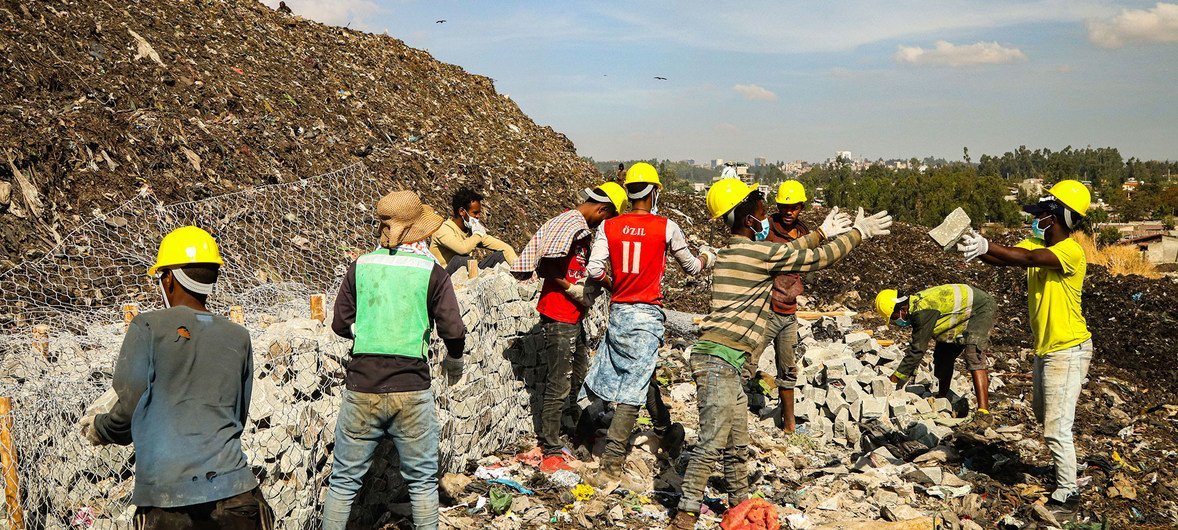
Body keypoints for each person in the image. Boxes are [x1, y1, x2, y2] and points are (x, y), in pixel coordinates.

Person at [668, 178, 893, 530]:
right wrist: (857, 233)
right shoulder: (758, 254)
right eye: (761, 209)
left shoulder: (736, 252)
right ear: (747, 220)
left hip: (728, 361)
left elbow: (791, 253)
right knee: (712, 441)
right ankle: (685, 514)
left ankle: (740, 507)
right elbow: (814, 259)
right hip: (718, 361)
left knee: (737, 444)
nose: (765, 216)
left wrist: (820, 231)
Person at [80, 226, 274, 529]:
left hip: (168, 499)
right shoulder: (239, 336)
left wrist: (100, 428)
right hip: (236, 493)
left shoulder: (147, 327)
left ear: (168, 278)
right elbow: (237, 415)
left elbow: (129, 411)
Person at [322, 191, 466, 530]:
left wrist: (370, 334)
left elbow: (341, 324)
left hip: (362, 385)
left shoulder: (360, 266)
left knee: (343, 482)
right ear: (417, 230)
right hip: (411, 388)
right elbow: (453, 329)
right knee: (422, 482)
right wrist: (454, 360)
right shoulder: (431, 272)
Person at [954, 179, 1093, 509]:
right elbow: (1010, 258)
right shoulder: (1036, 243)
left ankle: (1068, 492)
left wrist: (990, 247)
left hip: (1068, 349)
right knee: (1046, 416)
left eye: (1043, 215)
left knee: (1057, 426)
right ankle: (1069, 463)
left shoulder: (1070, 252)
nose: (1037, 220)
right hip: (1047, 350)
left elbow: (1027, 258)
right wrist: (976, 247)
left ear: (1059, 217)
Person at [580, 163, 717, 487]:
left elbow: (595, 268)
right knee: (631, 392)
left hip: (620, 314)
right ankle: (612, 461)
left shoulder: (610, 226)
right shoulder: (666, 227)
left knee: (642, 376)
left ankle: (665, 431)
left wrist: (617, 286)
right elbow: (692, 268)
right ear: (654, 192)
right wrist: (708, 258)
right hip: (647, 318)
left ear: (628, 192)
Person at [510, 182, 627, 473]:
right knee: (558, 382)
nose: (604, 223)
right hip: (559, 313)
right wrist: (571, 289)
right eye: (606, 217)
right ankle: (550, 444)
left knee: (575, 378)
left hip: (573, 315)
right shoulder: (570, 225)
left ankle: (568, 429)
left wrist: (612, 286)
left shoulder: (582, 230)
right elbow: (547, 267)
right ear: (602, 209)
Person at [873, 284, 995, 415]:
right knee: (943, 356)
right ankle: (942, 399)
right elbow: (918, 346)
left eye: (894, 317)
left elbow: (918, 350)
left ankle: (983, 412)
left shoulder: (922, 312)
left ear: (902, 309)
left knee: (973, 354)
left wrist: (894, 378)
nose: (895, 321)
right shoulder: (915, 306)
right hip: (961, 314)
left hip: (981, 308)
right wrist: (908, 372)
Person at [762, 180, 811, 434]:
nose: (789, 212)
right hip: (767, 310)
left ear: (801, 207)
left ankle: (789, 426)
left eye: (794, 207)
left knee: (788, 369)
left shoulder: (803, 233)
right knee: (747, 360)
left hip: (789, 311)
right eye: (785, 207)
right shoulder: (766, 228)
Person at [429, 188, 518, 274]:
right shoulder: (443, 229)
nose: (478, 216)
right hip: (444, 277)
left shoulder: (471, 230)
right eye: (475, 213)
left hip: (466, 271)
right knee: (462, 259)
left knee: (500, 255)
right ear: (462, 211)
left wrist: (519, 269)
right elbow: (463, 249)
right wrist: (477, 235)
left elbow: (504, 247)